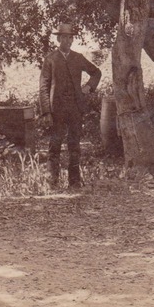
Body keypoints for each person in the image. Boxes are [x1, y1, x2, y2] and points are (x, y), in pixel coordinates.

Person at [39, 23, 101, 189]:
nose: (67, 40)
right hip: (56, 109)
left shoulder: (78, 58)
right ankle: (52, 183)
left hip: (75, 108)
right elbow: (44, 86)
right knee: (55, 144)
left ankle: (74, 182)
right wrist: (46, 111)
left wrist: (88, 87)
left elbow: (96, 72)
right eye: (64, 37)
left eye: (70, 37)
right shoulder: (50, 59)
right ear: (58, 39)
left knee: (74, 144)